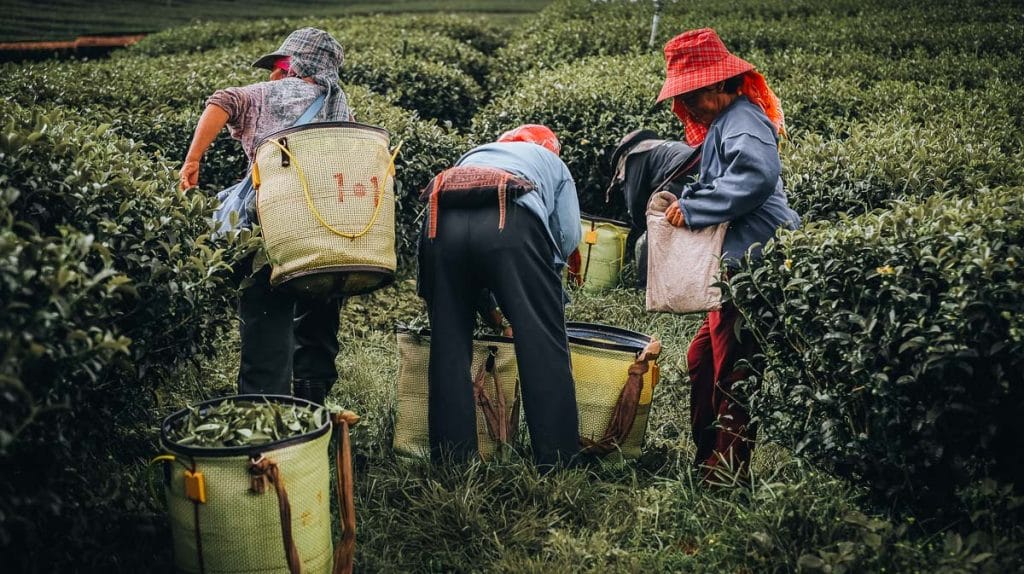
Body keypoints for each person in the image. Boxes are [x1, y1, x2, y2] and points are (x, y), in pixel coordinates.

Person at [654, 28, 801, 482]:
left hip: (751, 263)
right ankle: (708, 458)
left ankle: (725, 473)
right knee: (703, 360)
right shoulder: (727, 122)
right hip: (734, 263)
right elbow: (726, 178)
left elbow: (756, 176)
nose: (688, 105)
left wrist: (695, 208)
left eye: (693, 93)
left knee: (735, 368)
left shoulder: (743, 119)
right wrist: (684, 196)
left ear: (719, 85)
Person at [178, 28, 354, 405]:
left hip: (274, 220)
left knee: (266, 315)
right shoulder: (340, 106)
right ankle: (312, 407)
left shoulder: (273, 92)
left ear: (296, 64)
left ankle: (267, 415)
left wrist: (193, 160)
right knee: (319, 311)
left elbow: (222, 100)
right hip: (328, 223)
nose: (275, 72)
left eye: (281, 64)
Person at [416, 124, 583, 470]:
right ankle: (557, 462)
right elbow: (567, 235)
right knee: (541, 342)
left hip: (439, 221)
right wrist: (537, 298)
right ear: (549, 149)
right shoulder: (553, 164)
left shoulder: (475, 155)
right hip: (512, 215)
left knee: (448, 343)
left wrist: (492, 305)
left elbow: (471, 249)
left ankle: (453, 461)